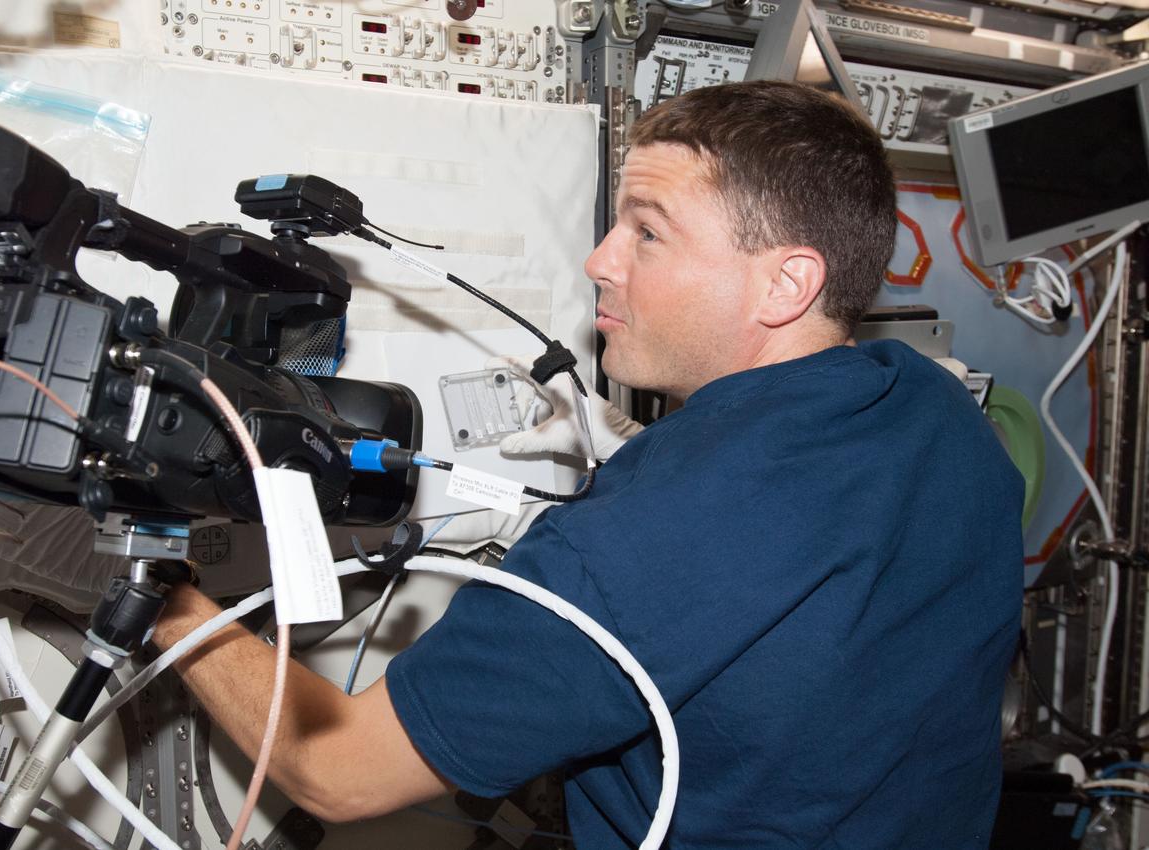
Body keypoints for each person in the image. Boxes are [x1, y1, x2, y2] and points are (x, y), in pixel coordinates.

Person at [135, 80, 1025, 847]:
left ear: (784, 283)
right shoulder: (935, 409)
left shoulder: (670, 525)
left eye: (648, 233)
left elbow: (338, 770)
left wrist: (163, 600)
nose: (599, 261)